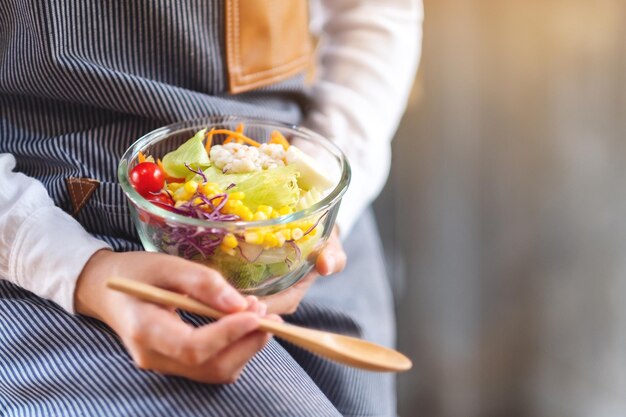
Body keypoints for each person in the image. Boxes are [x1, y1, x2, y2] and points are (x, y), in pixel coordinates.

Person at [0, 0, 422, 415]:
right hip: (52, 221)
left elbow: (374, 11)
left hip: (306, 204)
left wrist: (317, 184)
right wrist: (82, 271)